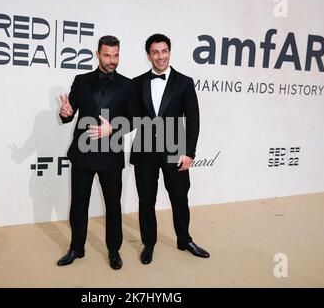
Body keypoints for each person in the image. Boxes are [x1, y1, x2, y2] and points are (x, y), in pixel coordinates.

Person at [130, 33, 210, 265]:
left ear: (170, 52)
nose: (160, 56)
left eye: (164, 51)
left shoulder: (184, 82)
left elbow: (193, 119)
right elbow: (130, 115)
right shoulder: (137, 83)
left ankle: (184, 240)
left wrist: (189, 152)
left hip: (176, 150)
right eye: (155, 52)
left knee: (179, 198)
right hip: (144, 150)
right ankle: (149, 243)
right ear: (148, 55)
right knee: (146, 200)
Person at [57, 35, 133, 270]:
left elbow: (134, 118)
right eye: (108, 55)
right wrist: (66, 112)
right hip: (83, 153)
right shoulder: (81, 81)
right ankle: (76, 248)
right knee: (79, 203)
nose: (112, 60)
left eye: (116, 55)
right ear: (97, 54)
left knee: (113, 205)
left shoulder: (128, 85)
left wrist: (114, 128)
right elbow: (69, 113)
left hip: (111, 154)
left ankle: (113, 249)